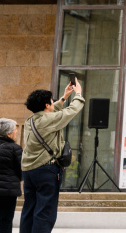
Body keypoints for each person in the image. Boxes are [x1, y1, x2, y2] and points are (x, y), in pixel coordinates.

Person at [21, 80, 85, 233]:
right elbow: (70, 111)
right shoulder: (48, 120)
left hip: (29, 171)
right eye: (51, 101)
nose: (53, 102)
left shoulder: (30, 121)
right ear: (46, 105)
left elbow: (51, 112)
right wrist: (79, 94)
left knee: (29, 209)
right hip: (46, 170)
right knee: (45, 212)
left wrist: (63, 98)